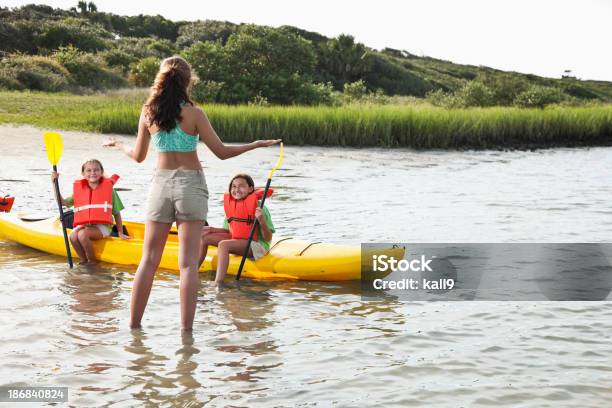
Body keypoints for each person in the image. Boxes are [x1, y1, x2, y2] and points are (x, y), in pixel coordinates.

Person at [104, 55, 280, 331]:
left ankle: (134, 329)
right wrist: (255, 144)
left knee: (148, 260)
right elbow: (221, 153)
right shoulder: (195, 113)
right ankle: (187, 335)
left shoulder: (148, 111)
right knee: (187, 265)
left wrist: (120, 146)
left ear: (160, 78)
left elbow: (138, 156)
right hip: (191, 186)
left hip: (160, 186)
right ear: (188, 81)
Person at [198, 174, 275, 284]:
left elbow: (268, 238)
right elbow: (229, 231)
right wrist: (212, 229)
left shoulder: (259, 208)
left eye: (241, 186)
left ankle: (218, 283)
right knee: (204, 238)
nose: (236, 189)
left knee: (224, 245)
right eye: (233, 186)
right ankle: (192, 272)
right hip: (239, 241)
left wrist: (261, 220)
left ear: (250, 189)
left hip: (257, 245)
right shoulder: (233, 205)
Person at [51, 159, 129, 264]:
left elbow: (117, 213)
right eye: (88, 170)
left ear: (101, 172)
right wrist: (54, 183)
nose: (92, 173)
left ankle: (92, 262)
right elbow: (63, 203)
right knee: (73, 236)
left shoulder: (109, 190)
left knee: (82, 235)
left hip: (103, 227)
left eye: (96, 170)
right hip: (86, 225)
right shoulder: (80, 190)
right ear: (83, 174)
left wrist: (120, 233)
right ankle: (83, 261)